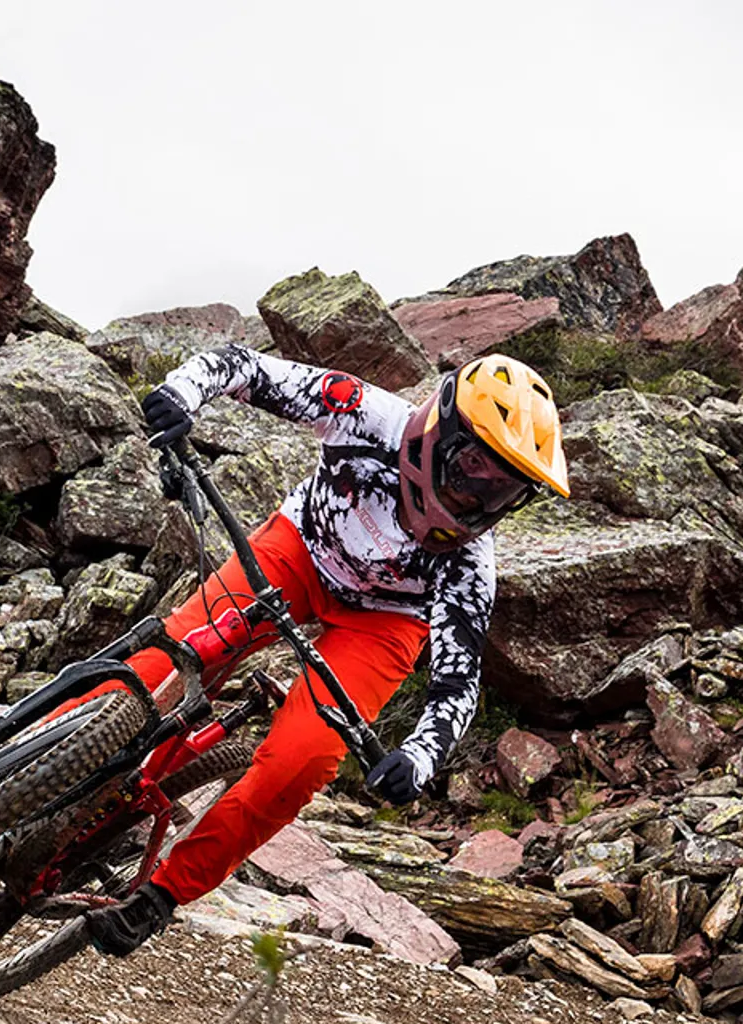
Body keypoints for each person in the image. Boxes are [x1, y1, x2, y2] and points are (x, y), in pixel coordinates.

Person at [83, 343, 568, 956]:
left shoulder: (470, 566)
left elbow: (458, 681)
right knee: (160, 664)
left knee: (303, 761)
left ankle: (161, 895)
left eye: (502, 491)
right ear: (438, 431)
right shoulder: (365, 413)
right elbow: (242, 366)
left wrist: (419, 758)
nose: (478, 497)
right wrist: (181, 394)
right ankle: (18, 767)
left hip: (385, 622)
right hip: (301, 551)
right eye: (473, 467)